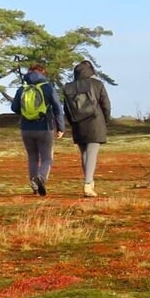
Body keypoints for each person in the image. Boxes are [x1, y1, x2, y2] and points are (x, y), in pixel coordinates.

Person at [10, 64, 65, 196]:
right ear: (43, 73)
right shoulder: (47, 87)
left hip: (26, 128)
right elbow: (58, 108)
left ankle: (34, 187)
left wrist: (27, 112)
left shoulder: (22, 89)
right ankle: (41, 178)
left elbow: (14, 108)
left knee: (32, 157)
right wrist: (60, 127)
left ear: (29, 73)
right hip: (45, 127)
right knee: (47, 158)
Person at [63, 60, 112, 197]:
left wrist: (72, 122)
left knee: (85, 154)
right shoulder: (97, 84)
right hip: (95, 122)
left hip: (78, 124)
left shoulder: (69, 87)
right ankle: (88, 183)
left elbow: (66, 108)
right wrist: (106, 120)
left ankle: (89, 182)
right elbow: (106, 104)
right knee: (92, 153)